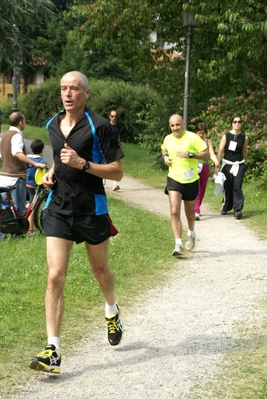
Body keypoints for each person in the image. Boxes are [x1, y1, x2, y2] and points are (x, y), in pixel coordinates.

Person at [29, 71, 124, 374]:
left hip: (91, 209)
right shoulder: (52, 124)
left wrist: (83, 164)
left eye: (74, 89)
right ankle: (52, 349)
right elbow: (59, 155)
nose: (68, 94)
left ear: (87, 93)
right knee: (55, 275)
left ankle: (111, 311)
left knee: (100, 272)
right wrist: (54, 171)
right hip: (58, 207)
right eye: (63, 89)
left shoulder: (102, 127)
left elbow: (117, 172)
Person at [161, 114, 210, 257]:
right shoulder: (167, 139)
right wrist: (164, 157)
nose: (175, 128)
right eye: (172, 125)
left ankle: (191, 233)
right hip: (174, 178)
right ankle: (178, 244)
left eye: (177, 124)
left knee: (189, 214)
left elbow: (206, 154)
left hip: (191, 180)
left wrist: (191, 155)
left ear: (183, 124)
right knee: (175, 210)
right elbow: (163, 148)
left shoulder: (193, 137)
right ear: (169, 126)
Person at [0, 113, 46, 239]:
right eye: (24, 121)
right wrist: (34, 163)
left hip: (3, 177)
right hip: (16, 176)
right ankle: (18, 234)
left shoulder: (4, 136)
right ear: (20, 122)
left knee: (4, 208)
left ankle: (4, 234)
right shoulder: (16, 136)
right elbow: (17, 153)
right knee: (20, 209)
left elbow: (1, 156)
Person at [215, 116, 248, 219]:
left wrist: (244, 162)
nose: (237, 123)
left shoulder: (244, 137)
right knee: (228, 186)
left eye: (239, 121)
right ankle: (226, 206)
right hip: (227, 164)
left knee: (237, 186)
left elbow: (244, 151)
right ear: (232, 123)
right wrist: (217, 165)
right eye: (235, 121)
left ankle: (238, 209)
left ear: (241, 123)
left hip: (239, 165)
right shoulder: (226, 136)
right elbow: (220, 150)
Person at [194, 122, 219, 221]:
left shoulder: (208, 141)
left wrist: (216, 162)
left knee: (203, 189)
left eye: (203, 133)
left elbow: (211, 154)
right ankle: (196, 211)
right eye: (199, 133)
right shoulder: (192, 141)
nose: (201, 135)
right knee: (197, 189)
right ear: (196, 132)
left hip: (204, 166)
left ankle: (196, 207)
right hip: (194, 166)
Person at [26, 139, 46, 235]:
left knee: (28, 204)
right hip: (35, 187)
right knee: (33, 207)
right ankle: (30, 229)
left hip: (25, 184)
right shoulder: (40, 161)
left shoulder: (27, 158)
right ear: (42, 149)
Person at [108, 109, 123, 191]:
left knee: (116, 165)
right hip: (107, 147)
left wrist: (119, 142)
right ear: (109, 117)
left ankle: (115, 184)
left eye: (116, 116)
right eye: (112, 116)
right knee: (106, 164)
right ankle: (103, 178)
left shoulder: (118, 125)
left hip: (115, 147)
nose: (114, 118)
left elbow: (118, 134)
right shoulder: (107, 125)